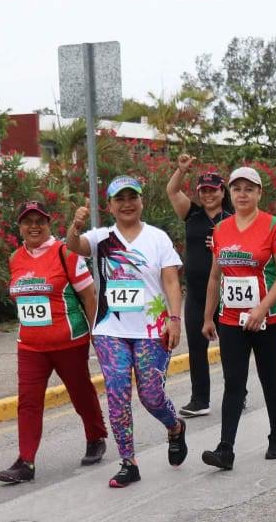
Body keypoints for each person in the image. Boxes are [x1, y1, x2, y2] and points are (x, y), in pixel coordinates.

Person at [66, 176, 187, 487]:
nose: (127, 204)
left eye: (132, 197)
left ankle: (174, 427)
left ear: (142, 201)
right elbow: (73, 247)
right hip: (111, 329)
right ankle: (128, 462)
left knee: (151, 395)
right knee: (118, 392)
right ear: (110, 206)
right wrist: (75, 227)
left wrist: (175, 318)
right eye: (120, 199)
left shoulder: (158, 238)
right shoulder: (102, 237)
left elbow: (172, 281)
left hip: (152, 330)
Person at [0, 201, 109, 484]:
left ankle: (96, 436)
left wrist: (96, 332)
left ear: (49, 223)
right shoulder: (15, 258)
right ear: (19, 226)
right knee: (28, 402)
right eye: (27, 221)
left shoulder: (65, 252)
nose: (33, 226)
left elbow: (89, 294)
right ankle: (26, 461)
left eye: (39, 221)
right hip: (30, 345)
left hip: (69, 341)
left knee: (80, 392)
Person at [200, 166, 276, 470]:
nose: (242, 194)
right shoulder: (220, 230)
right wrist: (208, 318)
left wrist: (262, 308)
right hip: (231, 321)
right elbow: (215, 277)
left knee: (269, 378)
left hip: (269, 319)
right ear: (230, 193)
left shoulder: (274, 226)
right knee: (233, 383)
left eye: (249, 188)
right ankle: (225, 449)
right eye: (237, 188)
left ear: (259, 193)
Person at [166, 154, 234, 418]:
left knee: (230, 347)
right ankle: (200, 399)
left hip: (225, 292)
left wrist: (222, 246)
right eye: (203, 190)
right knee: (196, 347)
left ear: (221, 191)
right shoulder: (191, 214)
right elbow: (172, 190)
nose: (207, 195)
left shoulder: (231, 218)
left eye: (212, 190)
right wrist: (181, 170)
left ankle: (236, 392)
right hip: (194, 293)